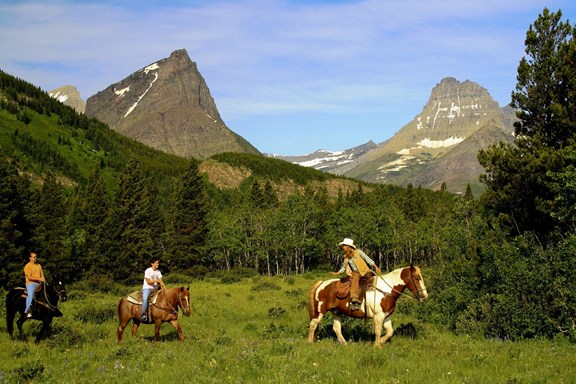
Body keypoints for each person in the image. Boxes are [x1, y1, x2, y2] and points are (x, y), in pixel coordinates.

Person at [330, 238, 381, 310]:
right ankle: (354, 297)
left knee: (373, 278)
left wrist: (376, 267)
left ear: (348, 247)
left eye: (344, 246)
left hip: (366, 271)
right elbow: (344, 267)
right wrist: (337, 272)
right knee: (355, 278)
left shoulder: (358, 252)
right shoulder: (346, 257)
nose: (343, 248)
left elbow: (368, 259)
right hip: (356, 272)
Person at [24, 249, 45, 318]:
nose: (35, 258)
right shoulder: (27, 266)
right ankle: (27, 311)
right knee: (30, 295)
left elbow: (42, 275)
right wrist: (39, 279)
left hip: (39, 284)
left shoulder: (39, 265)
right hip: (31, 284)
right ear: (30, 258)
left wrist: (43, 279)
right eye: (34, 257)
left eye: (36, 257)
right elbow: (29, 277)